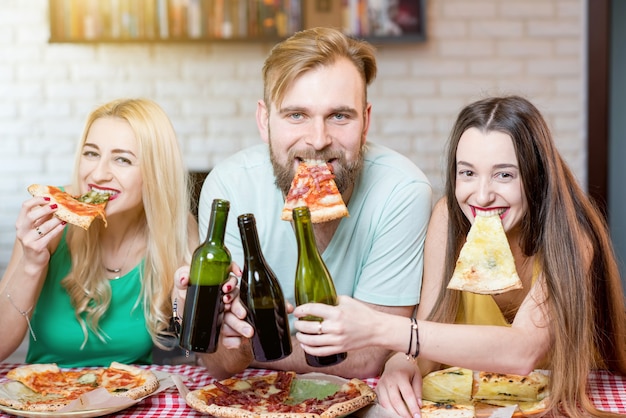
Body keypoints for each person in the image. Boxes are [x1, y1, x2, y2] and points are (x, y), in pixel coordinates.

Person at [292, 95, 626, 418]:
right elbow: (430, 326)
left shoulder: (573, 238)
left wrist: (378, 328)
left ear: (536, 177)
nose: (481, 195)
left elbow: (523, 350)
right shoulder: (449, 219)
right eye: (467, 173)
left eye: (504, 174)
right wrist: (402, 363)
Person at [177, 26, 432, 380]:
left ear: (366, 121)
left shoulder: (403, 191)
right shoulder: (228, 186)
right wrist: (219, 331)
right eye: (296, 115)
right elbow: (221, 362)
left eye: (339, 116)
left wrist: (255, 347)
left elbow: (370, 357)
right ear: (265, 121)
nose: (317, 140)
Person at [0, 98, 198, 367]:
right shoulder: (50, 218)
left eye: (122, 159)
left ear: (155, 172)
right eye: (91, 153)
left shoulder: (176, 227)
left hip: (130, 394)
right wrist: (31, 264)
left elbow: (194, 345)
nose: (99, 173)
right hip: (46, 394)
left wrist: (186, 302)